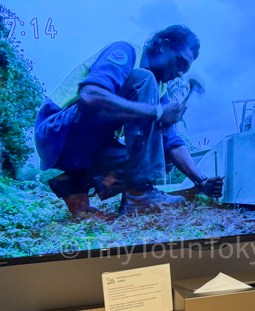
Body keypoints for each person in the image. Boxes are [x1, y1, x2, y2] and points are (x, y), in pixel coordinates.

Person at [34, 25, 224, 217]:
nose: (181, 73)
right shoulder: (127, 52)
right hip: (57, 131)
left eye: (187, 69)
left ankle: (74, 185)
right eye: (180, 62)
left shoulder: (159, 89)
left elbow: (171, 140)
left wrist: (201, 181)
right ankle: (139, 193)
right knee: (145, 80)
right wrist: (157, 111)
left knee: (155, 152)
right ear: (164, 46)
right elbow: (90, 94)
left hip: (87, 147)